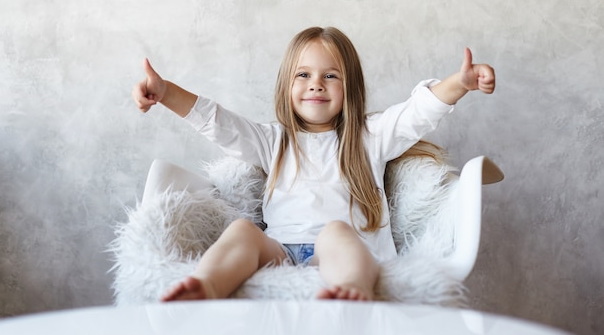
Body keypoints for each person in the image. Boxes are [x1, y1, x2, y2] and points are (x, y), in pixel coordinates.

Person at [132, 26, 495, 302]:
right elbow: (217, 122)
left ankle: (351, 290)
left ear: (348, 86)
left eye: (330, 75)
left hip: (345, 250)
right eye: (303, 75)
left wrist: (458, 84)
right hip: (281, 252)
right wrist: (165, 93)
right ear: (287, 85)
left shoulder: (370, 135)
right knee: (244, 232)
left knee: (335, 231)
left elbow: (417, 113)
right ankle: (206, 285)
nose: (316, 85)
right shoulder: (271, 141)